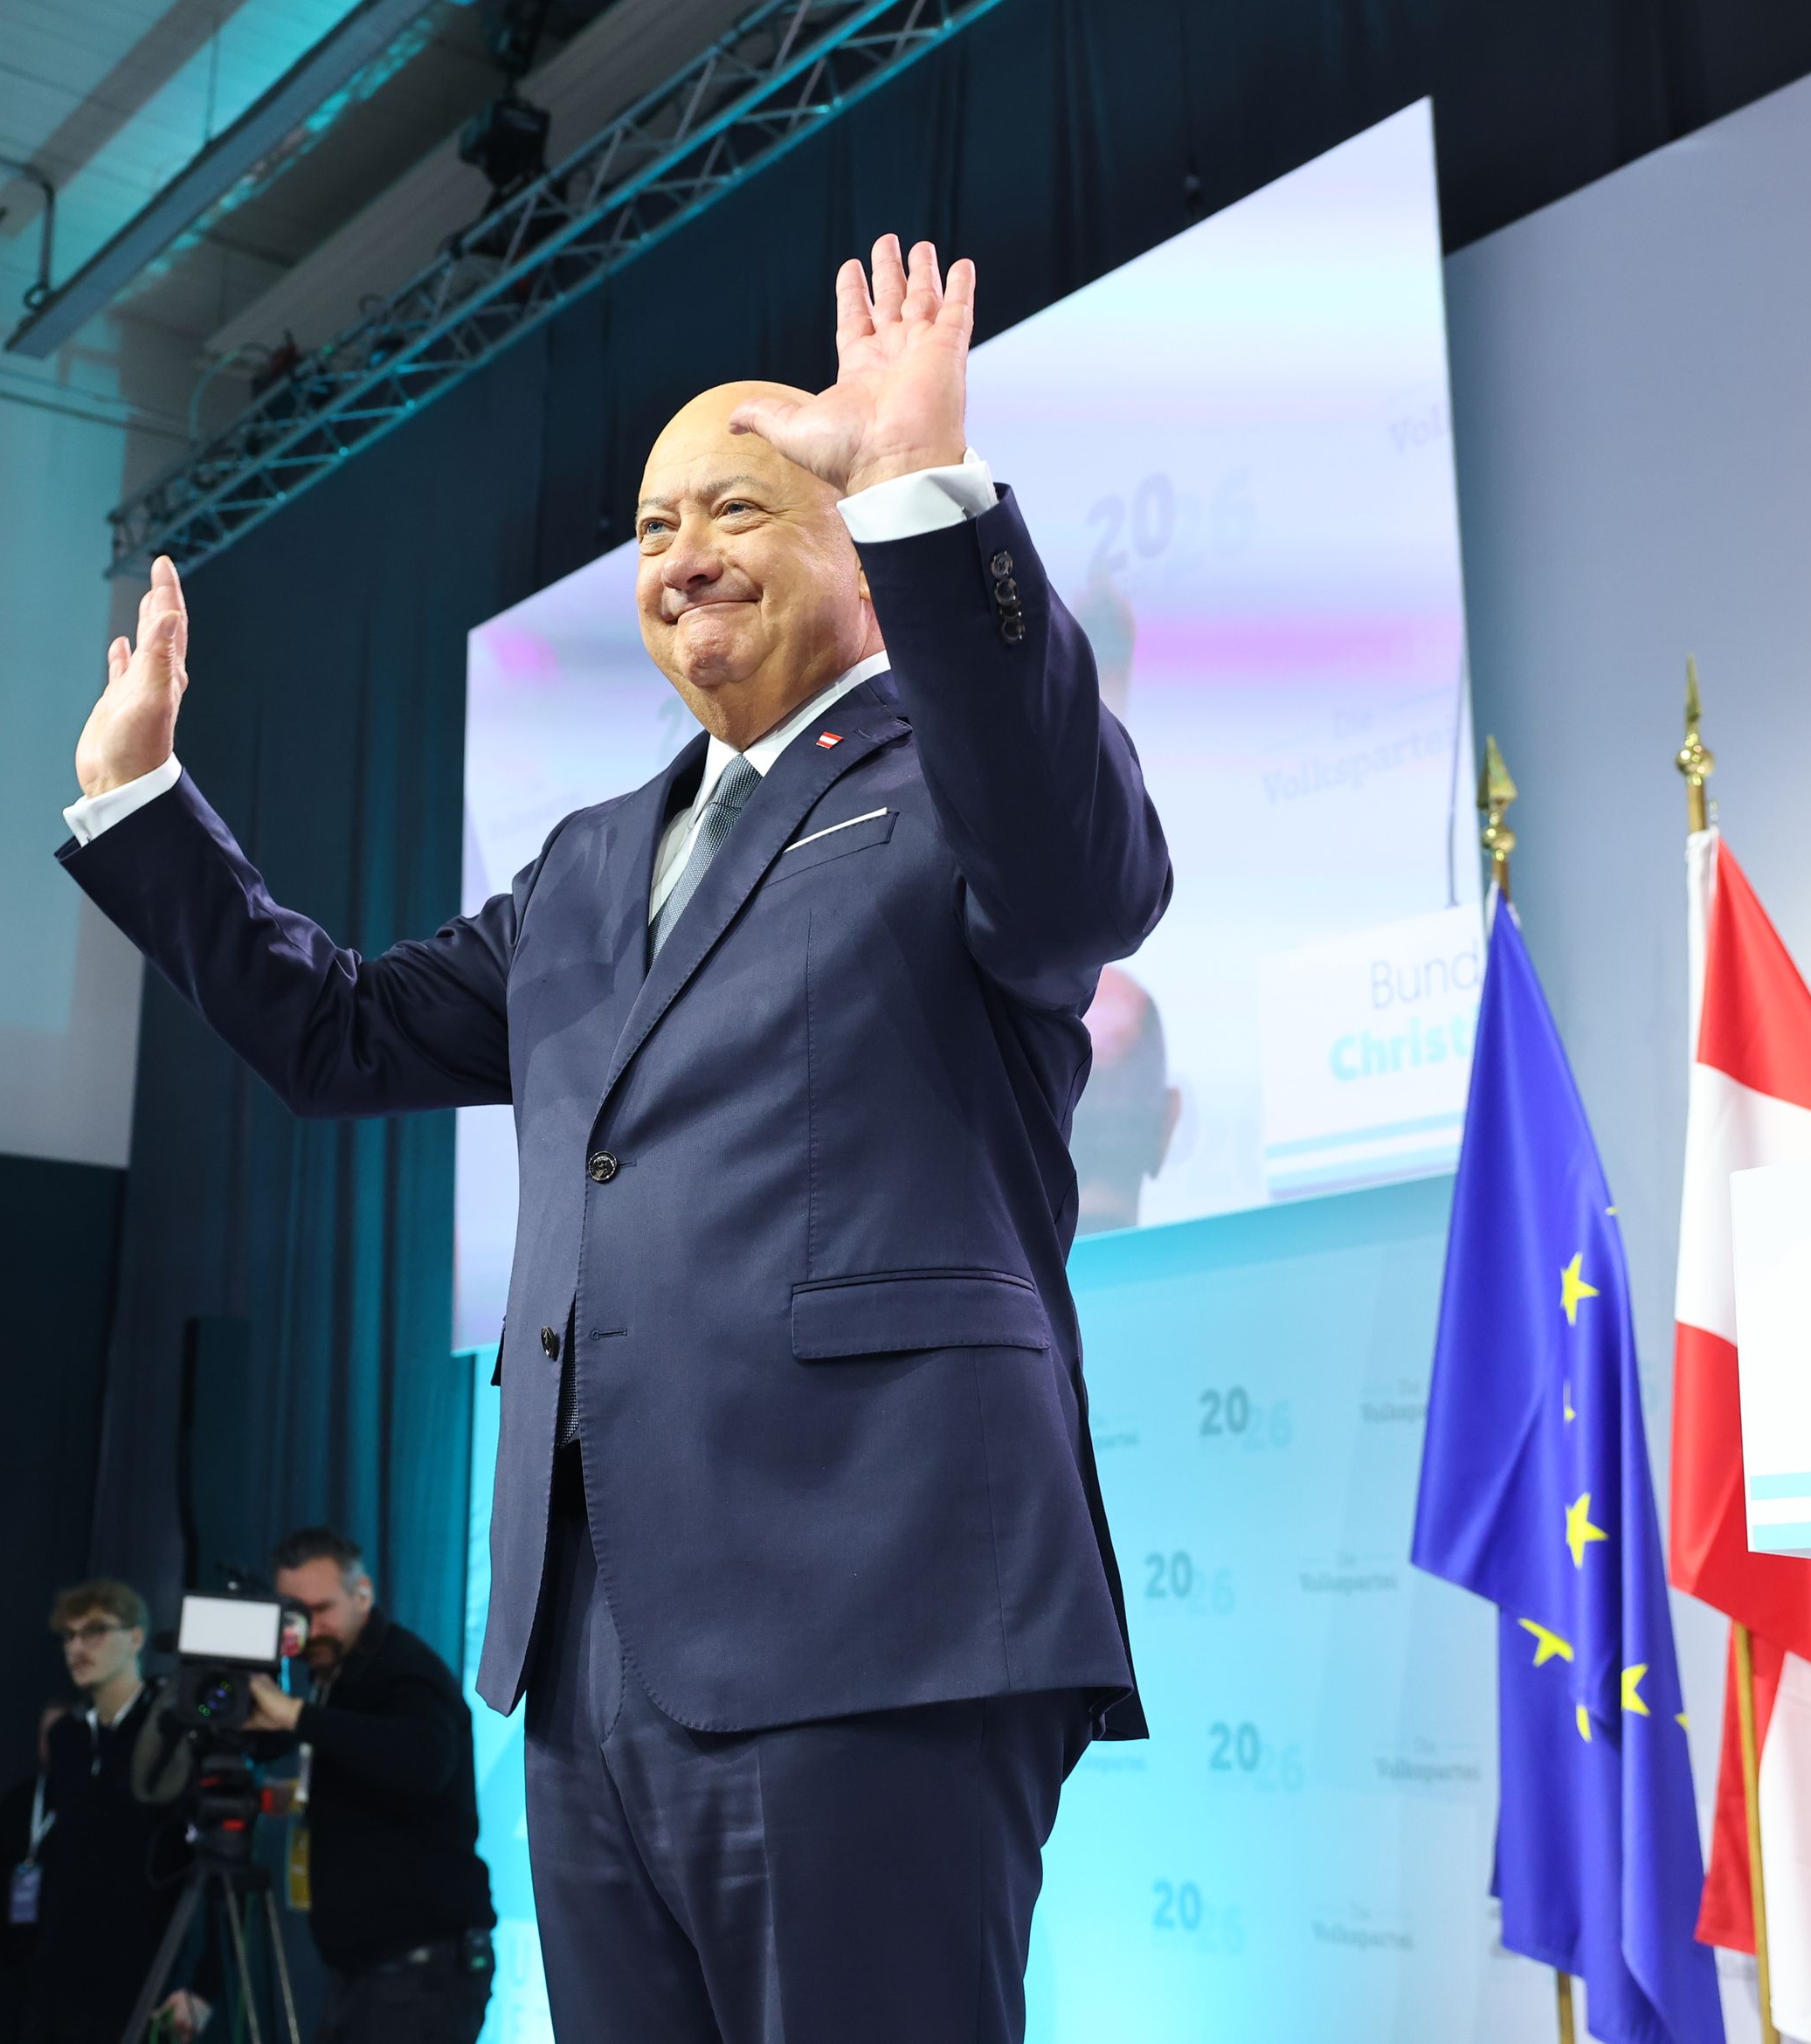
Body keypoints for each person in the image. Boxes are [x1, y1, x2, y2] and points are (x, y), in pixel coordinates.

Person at [57, 238, 1168, 2041]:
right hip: (596, 1660)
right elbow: (335, 1033)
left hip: (873, 1619)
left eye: (733, 504)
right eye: (650, 529)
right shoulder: (584, 863)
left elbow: (1078, 863)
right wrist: (140, 804)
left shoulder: (947, 780)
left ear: (856, 563)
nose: (679, 555)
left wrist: (916, 484)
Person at [238, 1530, 492, 2044]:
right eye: (294, 1612)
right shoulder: (331, 1676)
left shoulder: (406, 1670)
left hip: (417, 1975)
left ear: (363, 1595)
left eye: (323, 1608)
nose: (310, 1628)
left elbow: (422, 1763)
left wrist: (297, 1715)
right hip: (363, 1974)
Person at [12, 1584, 207, 2044]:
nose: (77, 1647)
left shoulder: (171, 1728)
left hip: (144, 1969)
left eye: (95, 1632)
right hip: (62, 1973)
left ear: (137, 1638)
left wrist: (199, 1985)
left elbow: (201, 1866)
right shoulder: (67, 1738)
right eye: (69, 1636)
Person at [0, 1704, 65, 2044]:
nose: (52, 1744)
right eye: (46, 1735)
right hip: (11, 1961)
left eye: (61, 1735)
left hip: (62, 1970)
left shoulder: (89, 1806)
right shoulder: (17, 1802)